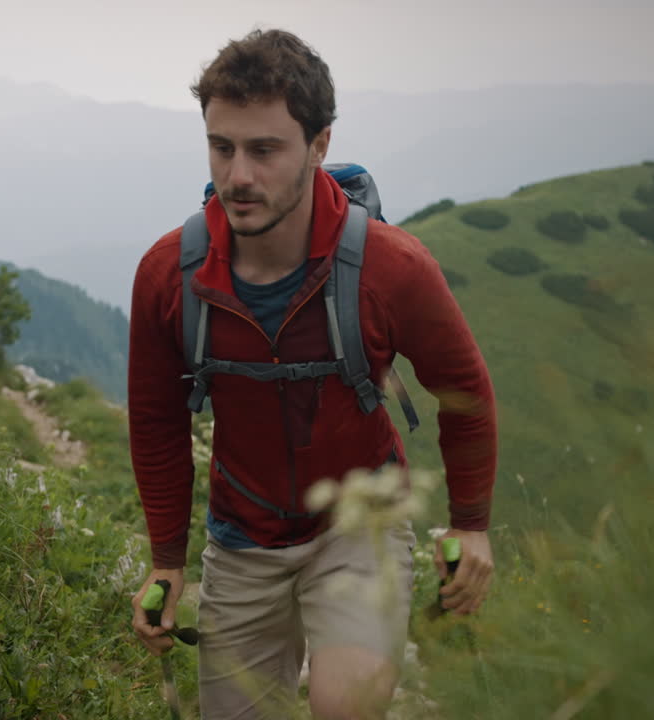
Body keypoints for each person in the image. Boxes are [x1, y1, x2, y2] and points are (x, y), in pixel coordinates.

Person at [128, 28, 498, 720]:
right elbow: (156, 420)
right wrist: (166, 559)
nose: (239, 175)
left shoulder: (392, 269)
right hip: (241, 540)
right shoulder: (167, 276)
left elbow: (465, 392)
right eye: (222, 146)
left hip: (360, 530)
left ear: (319, 146)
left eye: (265, 149)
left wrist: (471, 525)